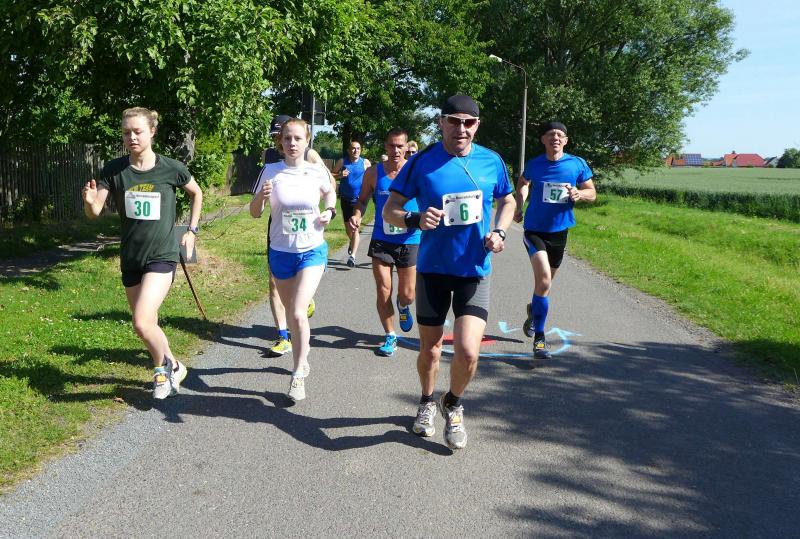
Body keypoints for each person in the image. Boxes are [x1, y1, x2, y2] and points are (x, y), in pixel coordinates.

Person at [383, 95, 515, 449]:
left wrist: (500, 232)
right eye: (454, 121)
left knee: (469, 352)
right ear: (441, 122)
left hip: (474, 269)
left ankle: (452, 403)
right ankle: (427, 401)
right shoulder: (422, 161)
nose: (461, 129)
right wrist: (414, 218)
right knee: (430, 349)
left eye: (468, 122)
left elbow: (508, 200)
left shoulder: (491, 160)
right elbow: (390, 209)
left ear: (477, 125)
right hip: (433, 270)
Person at [82, 107, 203, 400]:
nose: (132, 137)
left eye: (137, 131)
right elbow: (95, 212)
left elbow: (196, 193)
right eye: (127, 133)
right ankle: (174, 366)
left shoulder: (171, 168)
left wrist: (191, 231)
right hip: (131, 257)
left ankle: (162, 370)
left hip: (162, 254)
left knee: (141, 321)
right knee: (147, 324)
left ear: (151, 131)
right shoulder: (114, 170)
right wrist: (89, 202)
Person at [250, 118, 336, 402]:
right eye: (287, 138)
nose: (292, 143)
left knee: (298, 312)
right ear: (280, 141)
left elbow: (330, 193)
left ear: (307, 140)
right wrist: (261, 198)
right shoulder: (270, 171)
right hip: (281, 251)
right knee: (291, 312)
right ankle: (303, 351)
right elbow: (254, 213)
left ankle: (297, 373)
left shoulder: (316, 171)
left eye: (298, 138)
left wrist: (330, 211)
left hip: (312, 249)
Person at [514, 121, 596, 358]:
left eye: (560, 135)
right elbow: (523, 183)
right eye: (550, 134)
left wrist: (580, 193)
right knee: (543, 281)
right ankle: (539, 338)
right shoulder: (535, 164)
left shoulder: (577, 164)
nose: (555, 138)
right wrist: (520, 204)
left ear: (566, 140)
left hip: (560, 232)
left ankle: (534, 309)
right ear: (543, 140)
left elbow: (592, 192)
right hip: (534, 230)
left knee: (545, 286)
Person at [348, 128, 420, 357]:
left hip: (410, 239)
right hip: (381, 239)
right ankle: (390, 335)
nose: (396, 150)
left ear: (407, 147)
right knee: (383, 289)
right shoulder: (373, 173)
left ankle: (403, 305)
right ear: (385, 146)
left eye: (400, 146)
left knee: (408, 294)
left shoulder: (416, 172)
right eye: (391, 145)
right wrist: (357, 215)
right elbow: (362, 201)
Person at [333, 141, 371, 267]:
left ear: (361, 150)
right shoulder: (342, 162)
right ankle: (352, 242)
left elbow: (371, 178)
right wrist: (340, 175)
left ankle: (352, 257)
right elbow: (331, 175)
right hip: (345, 199)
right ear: (349, 150)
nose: (356, 151)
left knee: (354, 227)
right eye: (353, 149)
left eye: (358, 148)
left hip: (360, 200)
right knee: (348, 229)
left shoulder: (365, 163)